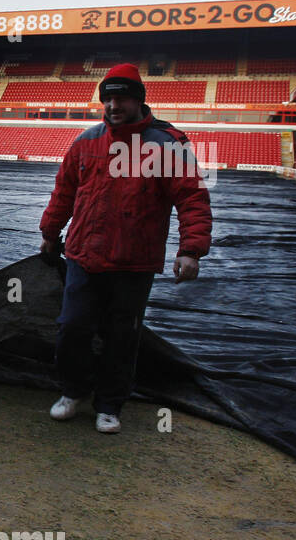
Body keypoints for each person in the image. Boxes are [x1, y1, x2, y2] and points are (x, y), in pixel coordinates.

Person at [39, 63, 212, 433]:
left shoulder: (168, 144)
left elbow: (192, 198)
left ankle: (110, 405)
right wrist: (50, 232)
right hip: (84, 256)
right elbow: (64, 193)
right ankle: (73, 391)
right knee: (71, 328)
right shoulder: (86, 141)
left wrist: (190, 250)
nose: (114, 105)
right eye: (109, 98)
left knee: (123, 336)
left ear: (138, 100)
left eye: (122, 98)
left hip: (134, 263)